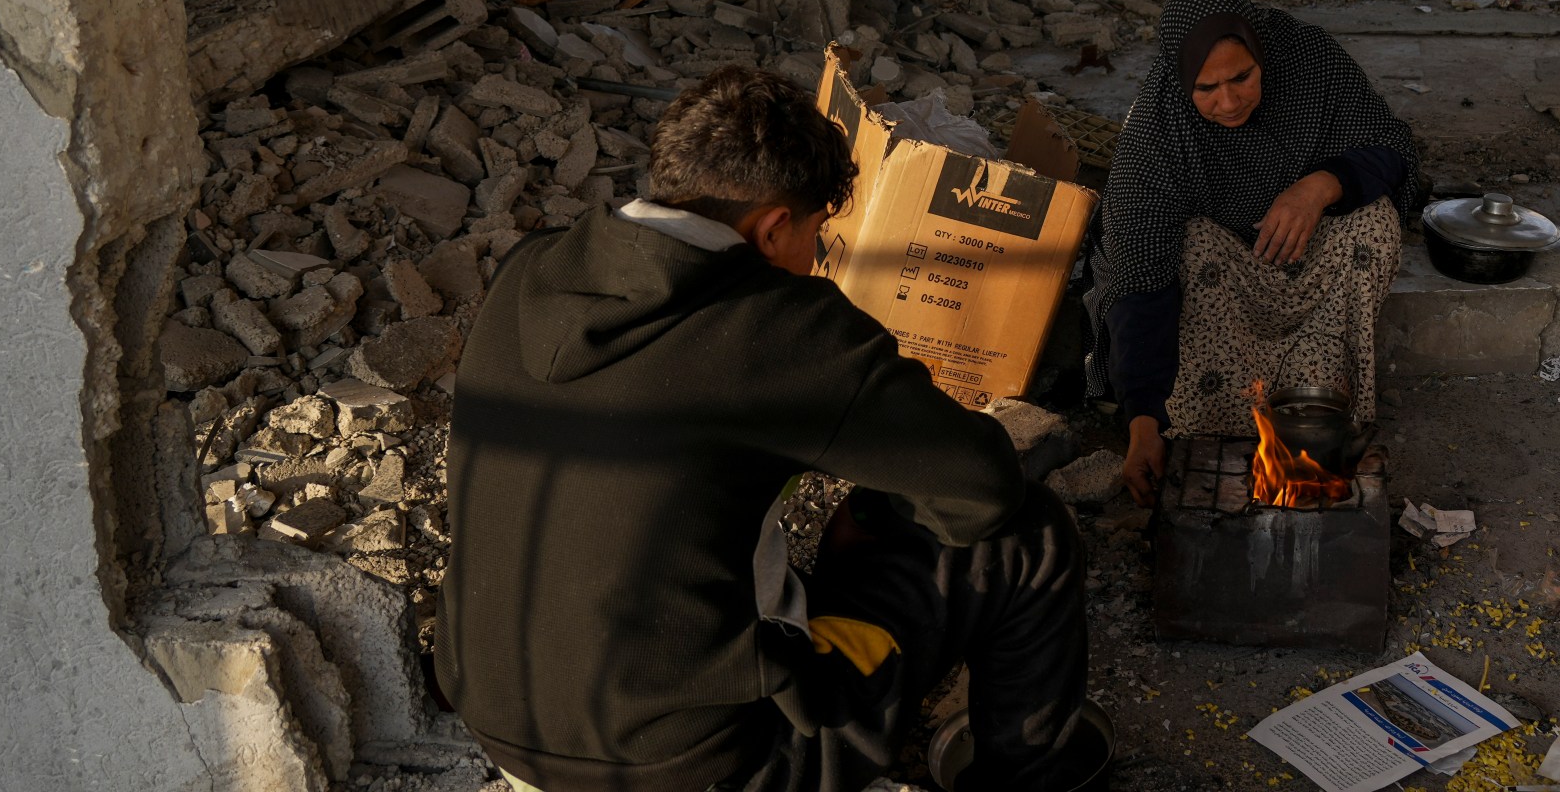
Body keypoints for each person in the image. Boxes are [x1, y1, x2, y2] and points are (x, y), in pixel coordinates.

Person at [436, 67, 1100, 792]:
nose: (817, 259)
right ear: (775, 226)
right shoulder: (784, 329)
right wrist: (878, 509)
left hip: (501, 722)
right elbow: (982, 488)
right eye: (818, 235)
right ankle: (1032, 780)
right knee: (1029, 535)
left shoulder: (527, 273)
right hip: (709, 766)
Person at [1088, 0, 1419, 505]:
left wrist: (1319, 186)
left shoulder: (1309, 59)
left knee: (1373, 223)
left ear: (1261, 52)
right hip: (1224, 280)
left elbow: (1394, 148)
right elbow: (1141, 285)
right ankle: (1221, 422)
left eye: (1242, 77)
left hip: (1306, 250)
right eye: (1206, 88)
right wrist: (1142, 422)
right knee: (1185, 245)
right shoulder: (1155, 135)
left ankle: (1318, 403)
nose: (1229, 101)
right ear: (1180, 82)